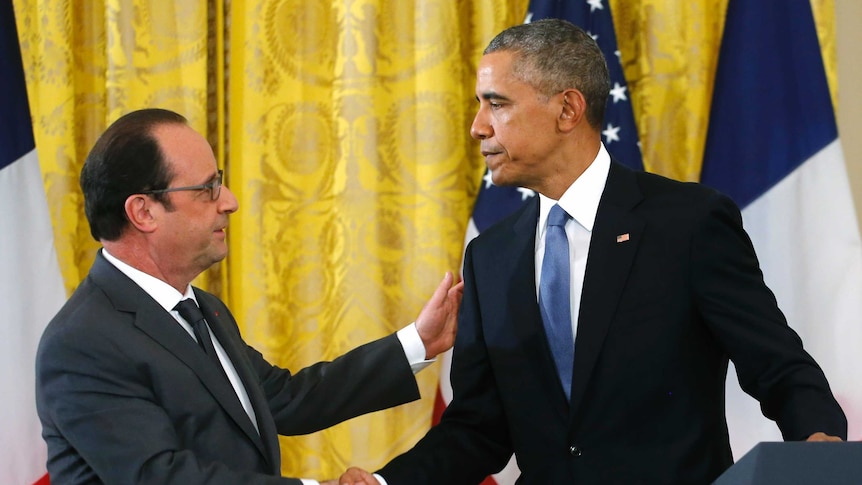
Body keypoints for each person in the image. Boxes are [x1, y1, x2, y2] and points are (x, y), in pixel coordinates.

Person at [337, 18, 847, 485]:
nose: (478, 126)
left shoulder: (686, 223)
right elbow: (478, 428)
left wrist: (819, 446)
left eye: (497, 103)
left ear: (567, 109)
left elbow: (776, 365)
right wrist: (386, 483)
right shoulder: (490, 257)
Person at [34, 108, 464, 485]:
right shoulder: (82, 342)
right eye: (207, 188)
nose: (230, 201)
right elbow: (160, 476)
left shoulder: (201, 308)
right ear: (143, 212)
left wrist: (418, 342)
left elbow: (287, 400)